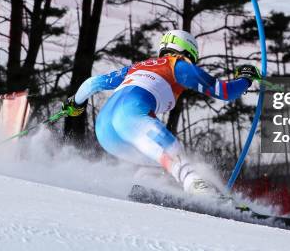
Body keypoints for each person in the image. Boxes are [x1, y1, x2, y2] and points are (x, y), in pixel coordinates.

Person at [62, 29, 261, 197]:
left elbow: (91, 83)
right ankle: (200, 189)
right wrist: (246, 78)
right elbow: (224, 92)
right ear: (188, 51)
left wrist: (75, 104)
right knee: (171, 149)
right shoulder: (180, 65)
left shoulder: (137, 67)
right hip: (130, 119)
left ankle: (149, 187)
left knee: (155, 162)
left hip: (105, 131)